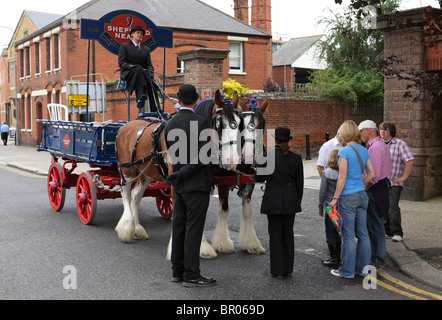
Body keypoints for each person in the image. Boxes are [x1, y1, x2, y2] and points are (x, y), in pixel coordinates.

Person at [164, 84, 216, 288]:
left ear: (178, 99)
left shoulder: (170, 123)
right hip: (196, 183)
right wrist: (183, 174)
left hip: (179, 183)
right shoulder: (201, 122)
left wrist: (177, 175)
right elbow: (203, 157)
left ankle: (177, 272)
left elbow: (172, 153)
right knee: (193, 228)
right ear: (196, 100)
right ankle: (192, 275)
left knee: (178, 226)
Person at [255, 127, 304, 278]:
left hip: (273, 199)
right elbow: (299, 185)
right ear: (288, 140)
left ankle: (277, 269)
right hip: (290, 200)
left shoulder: (266, 156)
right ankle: (288, 269)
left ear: (275, 140)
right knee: (288, 234)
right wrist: (296, 201)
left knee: (275, 235)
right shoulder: (296, 158)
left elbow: (259, 179)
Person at [329, 120, 375, 278]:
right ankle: (363, 270)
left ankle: (347, 271)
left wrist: (335, 198)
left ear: (345, 133)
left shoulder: (344, 151)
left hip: (348, 196)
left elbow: (341, 177)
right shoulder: (363, 150)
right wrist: (360, 184)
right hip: (362, 196)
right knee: (363, 234)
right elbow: (372, 174)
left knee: (347, 235)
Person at [359, 120, 392, 268]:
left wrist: (363, 187)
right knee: (373, 225)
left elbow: (374, 175)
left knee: (376, 226)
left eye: (360, 132)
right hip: (377, 189)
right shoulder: (375, 146)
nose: (360, 135)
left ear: (367, 131)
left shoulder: (376, 147)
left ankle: (379, 259)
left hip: (376, 190)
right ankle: (375, 257)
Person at [379, 121, 415, 242]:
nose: (382, 131)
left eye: (385, 129)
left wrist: (403, 177)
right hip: (380, 183)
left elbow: (409, 160)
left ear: (391, 131)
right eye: (381, 129)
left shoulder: (400, 144)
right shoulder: (376, 144)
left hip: (394, 182)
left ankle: (397, 232)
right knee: (383, 207)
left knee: (393, 207)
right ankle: (386, 230)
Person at [118, 25, 159, 113]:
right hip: (129, 73)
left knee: (152, 84)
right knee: (139, 69)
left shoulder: (146, 49)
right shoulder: (124, 46)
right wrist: (131, 66)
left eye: (141, 33)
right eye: (138, 33)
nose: (140, 35)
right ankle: (140, 96)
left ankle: (156, 109)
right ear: (132, 34)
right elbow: (121, 63)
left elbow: (149, 65)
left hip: (142, 74)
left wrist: (151, 72)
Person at [318, 149, 341, 268]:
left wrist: (320, 207)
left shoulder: (327, 173)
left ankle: (334, 258)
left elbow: (322, 192)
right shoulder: (343, 172)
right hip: (341, 206)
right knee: (338, 231)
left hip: (330, 207)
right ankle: (339, 256)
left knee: (330, 232)